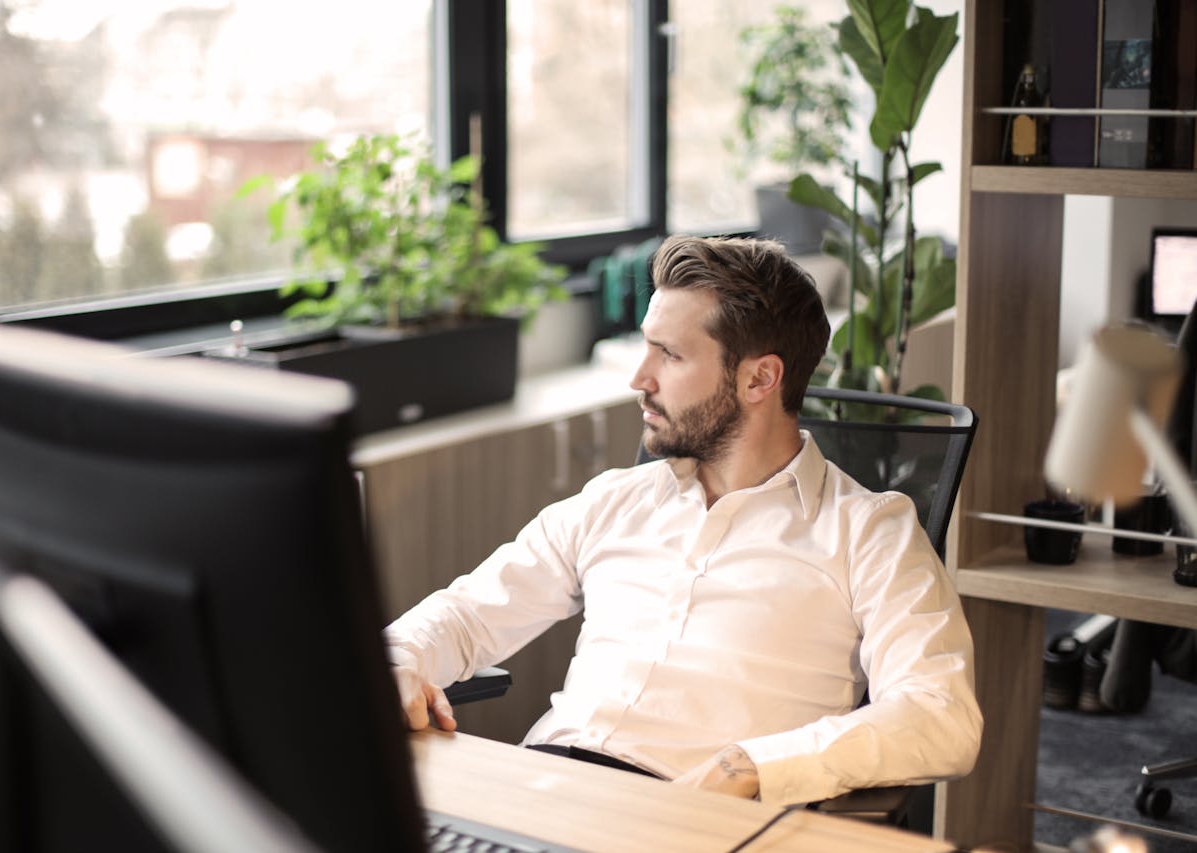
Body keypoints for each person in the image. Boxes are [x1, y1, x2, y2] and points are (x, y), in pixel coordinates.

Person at [385, 235, 982, 808]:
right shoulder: (615, 500)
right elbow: (466, 615)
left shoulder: (869, 532)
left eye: (668, 354)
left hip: (687, 819)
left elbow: (939, 712)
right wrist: (402, 660)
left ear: (759, 378)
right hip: (543, 794)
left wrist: (750, 766)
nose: (639, 378)